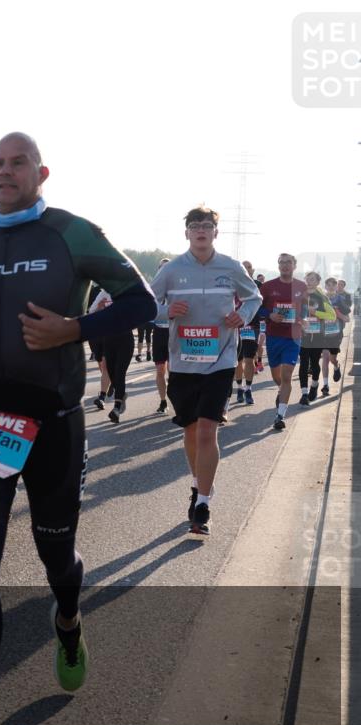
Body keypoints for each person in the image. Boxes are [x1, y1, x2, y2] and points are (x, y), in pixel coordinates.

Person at [0, 132, 156, 725]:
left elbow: (142, 301)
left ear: (42, 172)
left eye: (17, 163)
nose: (4, 173)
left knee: (55, 557)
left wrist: (74, 329)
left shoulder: (72, 232)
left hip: (54, 425)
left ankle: (68, 618)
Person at [150, 206, 261, 535]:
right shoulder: (171, 271)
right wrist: (168, 311)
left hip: (221, 360)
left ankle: (203, 505)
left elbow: (253, 297)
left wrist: (244, 316)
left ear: (215, 232)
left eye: (207, 226)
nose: (201, 230)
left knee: (206, 430)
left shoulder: (230, 266)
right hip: (183, 361)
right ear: (186, 233)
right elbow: (146, 305)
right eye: (195, 226)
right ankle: (198, 485)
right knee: (190, 430)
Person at [259, 254, 309, 430]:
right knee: (277, 377)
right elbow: (257, 308)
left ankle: (280, 416)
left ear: (294, 265)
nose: (285, 265)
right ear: (278, 265)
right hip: (274, 336)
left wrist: (304, 319)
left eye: (288, 262)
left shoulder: (301, 286)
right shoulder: (267, 286)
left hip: (293, 337)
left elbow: (303, 310)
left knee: (287, 376)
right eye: (281, 262)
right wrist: (269, 314)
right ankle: (281, 392)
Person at [88, 288, 134, 423]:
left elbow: (139, 312)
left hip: (125, 338)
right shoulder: (104, 293)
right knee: (111, 372)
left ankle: (116, 408)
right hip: (109, 338)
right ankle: (121, 395)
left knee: (120, 373)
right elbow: (91, 313)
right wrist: (100, 308)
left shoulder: (129, 292)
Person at [297, 271, 337, 404]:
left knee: (314, 363)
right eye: (307, 279)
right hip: (303, 335)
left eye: (312, 279)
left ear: (318, 282)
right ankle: (304, 394)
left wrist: (316, 313)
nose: (309, 281)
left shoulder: (322, 297)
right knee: (303, 363)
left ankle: (314, 386)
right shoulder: (300, 295)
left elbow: (332, 316)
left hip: (318, 336)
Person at [233, 260, 263, 406]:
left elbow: (266, 303)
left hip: (252, 326)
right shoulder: (232, 283)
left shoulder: (259, 285)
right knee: (237, 360)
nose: (246, 269)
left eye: (249, 267)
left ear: (252, 270)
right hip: (234, 325)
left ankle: (248, 389)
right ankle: (239, 388)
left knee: (249, 358)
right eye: (243, 267)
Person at [321, 276, 350, 393]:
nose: (331, 287)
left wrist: (337, 314)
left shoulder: (340, 299)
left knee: (332, 359)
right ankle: (325, 385)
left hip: (336, 334)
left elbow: (347, 319)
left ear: (336, 286)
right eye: (328, 285)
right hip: (323, 333)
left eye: (333, 285)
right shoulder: (321, 299)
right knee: (325, 357)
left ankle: (336, 366)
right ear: (325, 287)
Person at [150, 257, 172, 413]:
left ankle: (176, 398)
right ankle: (163, 401)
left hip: (174, 332)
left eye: (167, 268)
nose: (163, 270)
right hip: (158, 332)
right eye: (161, 268)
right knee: (160, 370)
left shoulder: (177, 289)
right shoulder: (153, 290)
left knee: (175, 370)